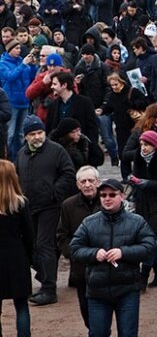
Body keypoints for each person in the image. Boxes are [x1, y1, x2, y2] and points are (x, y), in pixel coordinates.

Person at [69, 178, 157, 337]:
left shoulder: (137, 222)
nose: (107, 198)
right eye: (103, 195)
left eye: (112, 194)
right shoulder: (89, 223)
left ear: (122, 196)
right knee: (98, 333)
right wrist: (94, 253)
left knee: (128, 334)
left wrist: (123, 252)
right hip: (97, 290)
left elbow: (149, 247)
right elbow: (75, 249)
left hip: (127, 289)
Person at [15, 114, 75, 306]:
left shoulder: (56, 151)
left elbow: (68, 173)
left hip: (50, 206)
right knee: (30, 246)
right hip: (28, 207)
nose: (37, 137)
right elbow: (16, 176)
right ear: (25, 136)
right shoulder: (22, 154)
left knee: (44, 245)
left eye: (40, 132)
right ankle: (45, 274)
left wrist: (54, 193)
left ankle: (49, 289)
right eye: (32, 134)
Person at [125, 130, 157, 290]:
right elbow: (135, 176)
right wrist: (133, 180)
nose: (143, 148)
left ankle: (143, 277)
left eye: (147, 145)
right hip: (142, 204)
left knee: (149, 241)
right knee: (148, 241)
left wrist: (148, 183)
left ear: (155, 145)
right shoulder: (138, 157)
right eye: (142, 144)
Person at [56, 165, 102, 328]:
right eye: (83, 181)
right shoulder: (68, 205)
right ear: (78, 184)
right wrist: (73, 254)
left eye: (91, 180)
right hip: (81, 268)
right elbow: (62, 235)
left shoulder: (108, 201)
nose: (87, 184)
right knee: (86, 308)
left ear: (98, 182)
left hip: (106, 268)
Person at [0, 159, 33, 337]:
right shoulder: (20, 203)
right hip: (16, 258)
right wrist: (29, 257)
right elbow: (29, 235)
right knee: (21, 305)